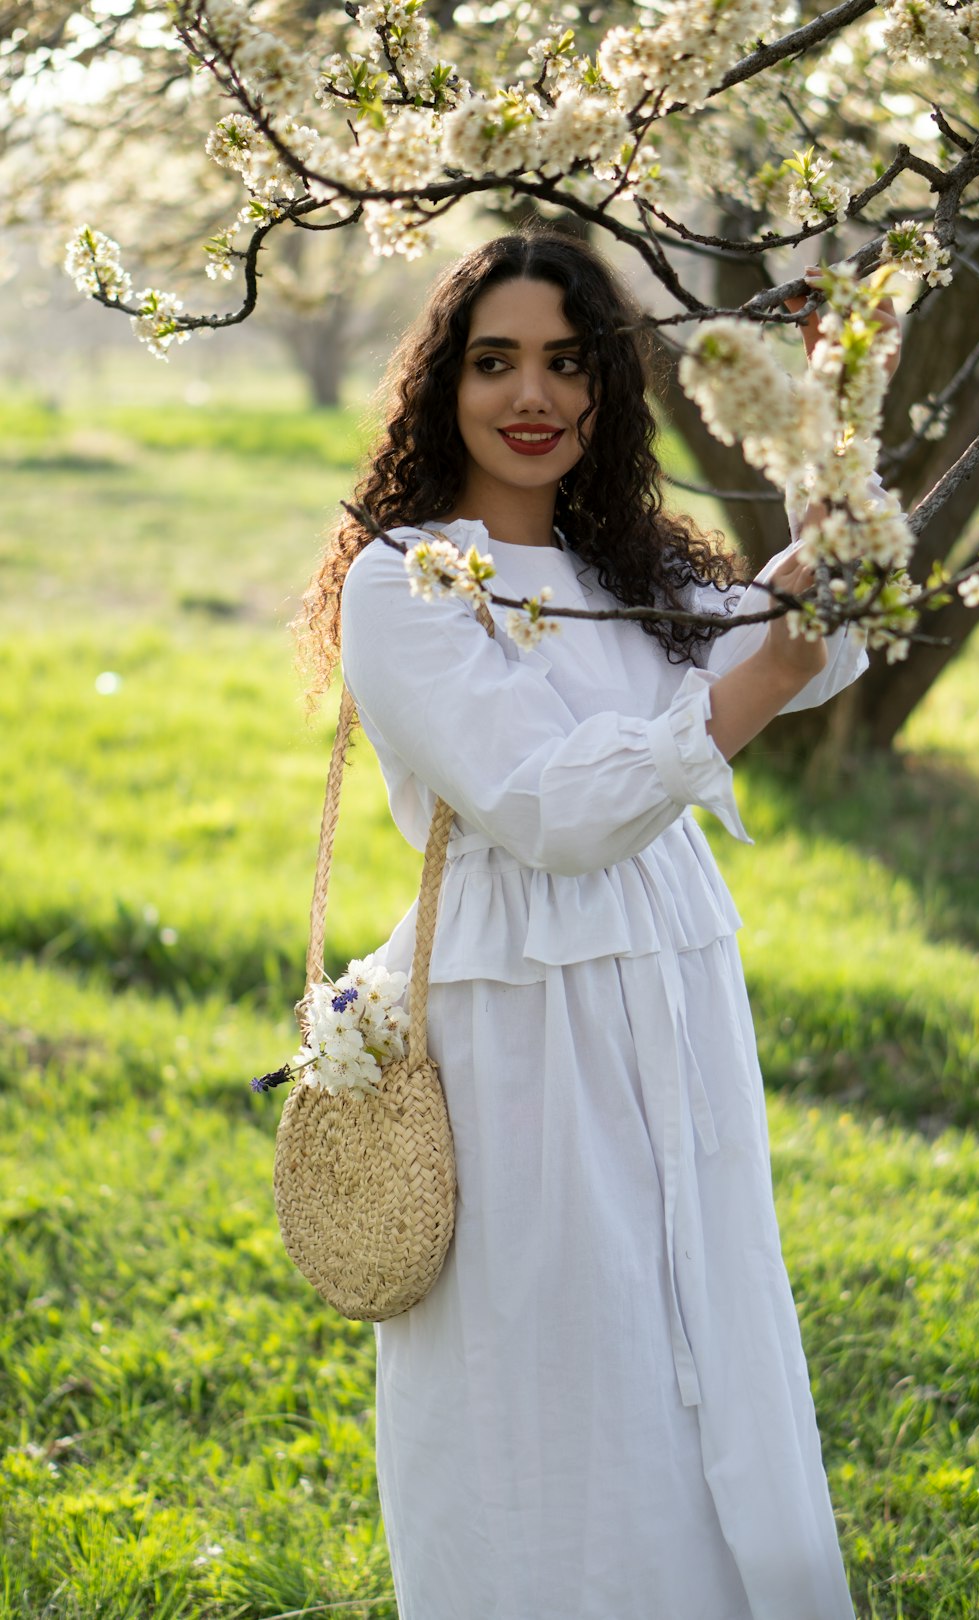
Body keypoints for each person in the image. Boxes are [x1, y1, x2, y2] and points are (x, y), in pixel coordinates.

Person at [294, 230, 896, 1620]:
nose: (535, 395)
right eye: (496, 360)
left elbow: (817, 642)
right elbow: (549, 814)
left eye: (569, 364)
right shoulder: (409, 577)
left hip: (671, 983)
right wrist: (766, 670)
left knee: (699, 1333)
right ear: (443, 381)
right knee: (556, 1369)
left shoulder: (625, 561)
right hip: (522, 1019)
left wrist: (818, 429)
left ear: (607, 389)